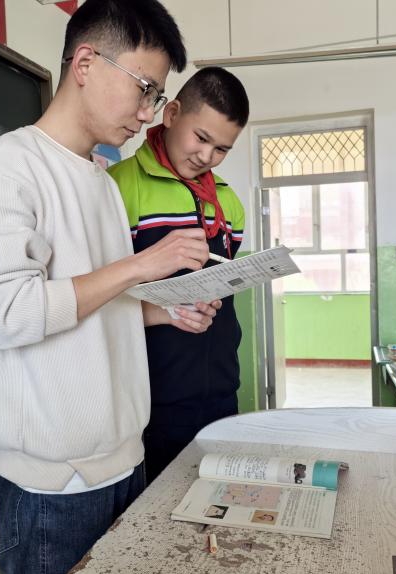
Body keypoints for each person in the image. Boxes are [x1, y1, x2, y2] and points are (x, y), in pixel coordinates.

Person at [0, 1, 220, 574]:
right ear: (86, 63)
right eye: (145, 89)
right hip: (55, 487)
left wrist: (166, 312)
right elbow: (6, 314)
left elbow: (98, 307)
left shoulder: (101, 182)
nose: (148, 114)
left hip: (126, 460)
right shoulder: (7, 169)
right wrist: (141, 265)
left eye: (156, 96)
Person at [108, 67, 250, 484]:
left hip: (221, 388)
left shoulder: (228, 200)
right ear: (171, 114)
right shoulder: (116, 189)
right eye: (201, 138)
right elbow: (101, 295)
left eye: (221, 149)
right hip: (151, 399)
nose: (206, 156)